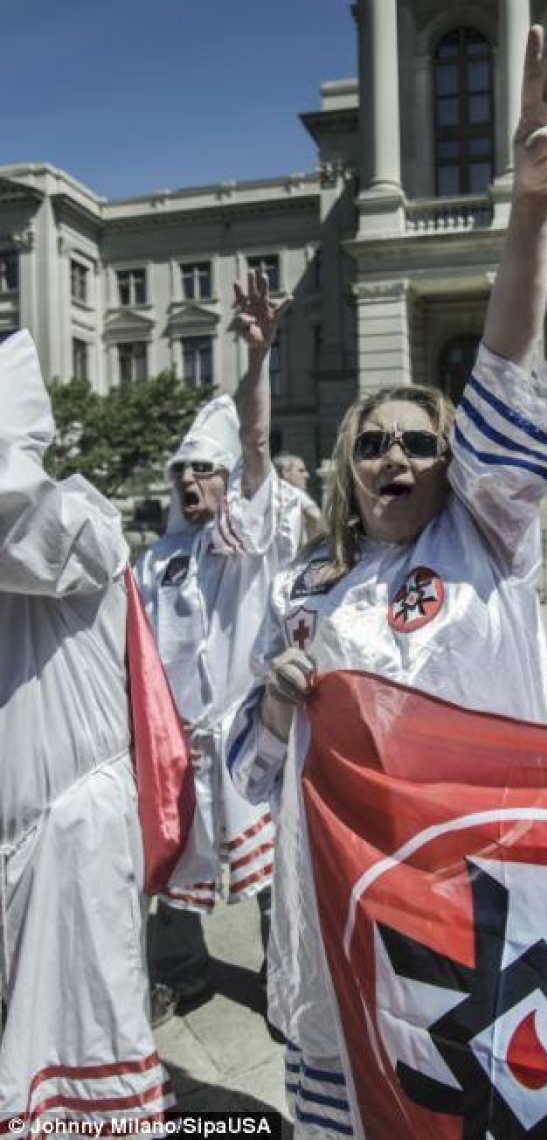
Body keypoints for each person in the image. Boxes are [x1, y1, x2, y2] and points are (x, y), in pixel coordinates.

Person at [227, 15, 547, 1137]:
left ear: (458, 466)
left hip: (487, 898)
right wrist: (279, 698)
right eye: (373, 443)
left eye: (421, 441)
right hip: (350, 912)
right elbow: (256, 780)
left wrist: (532, 203)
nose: (397, 456)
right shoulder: (312, 594)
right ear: (347, 471)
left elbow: (504, 368)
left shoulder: (484, 536)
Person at [0, 331, 172, 1125]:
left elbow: (11, 507)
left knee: (83, 1074)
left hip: (70, 840)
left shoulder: (79, 520)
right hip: (19, 839)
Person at [136, 271, 302, 1020]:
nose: (189, 480)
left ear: (229, 478)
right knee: (171, 862)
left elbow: (260, 446)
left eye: (204, 468)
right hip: (173, 750)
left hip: (247, 742)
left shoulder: (243, 544)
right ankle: (183, 972)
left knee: (270, 872)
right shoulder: (157, 558)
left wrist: (258, 358)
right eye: (181, 470)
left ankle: (282, 985)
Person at [273, 453, 323, 544]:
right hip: (295, 555)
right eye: (301, 471)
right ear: (285, 472)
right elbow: (315, 516)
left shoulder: (270, 492)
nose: (306, 475)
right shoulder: (294, 492)